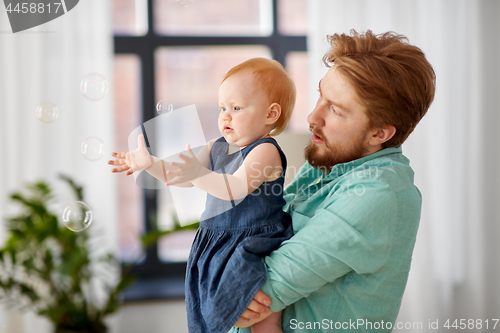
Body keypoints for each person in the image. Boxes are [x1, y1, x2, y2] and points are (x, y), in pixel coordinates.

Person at [230, 30, 436, 333]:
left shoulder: (377, 194)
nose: (313, 116)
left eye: (336, 110)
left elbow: (236, 302)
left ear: (380, 134)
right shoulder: (328, 164)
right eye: (320, 96)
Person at [109, 58, 297, 333]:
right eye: (222, 107)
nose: (225, 116)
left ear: (270, 114)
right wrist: (150, 163)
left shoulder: (265, 150)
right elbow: (182, 176)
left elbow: (234, 188)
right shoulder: (216, 147)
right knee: (215, 319)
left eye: (236, 107)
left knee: (264, 320)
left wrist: (198, 173)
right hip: (217, 241)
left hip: (252, 241)